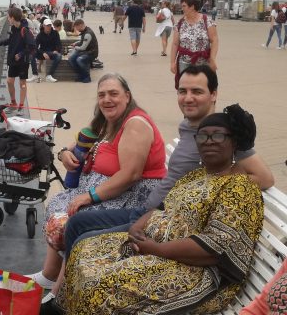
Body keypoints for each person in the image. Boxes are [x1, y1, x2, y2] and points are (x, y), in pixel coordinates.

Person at [58, 105, 264, 315]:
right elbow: (163, 207)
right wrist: (137, 228)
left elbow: (215, 248)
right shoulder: (196, 175)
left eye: (218, 136)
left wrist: (155, 249)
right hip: (154, 248)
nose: (209, 141)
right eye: (202, 136)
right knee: (83, 249)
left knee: (97, 286)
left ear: (234, 142)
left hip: (195, 273)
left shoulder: (238, 187)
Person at [25, 73, 166, 291]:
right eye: (102, 95)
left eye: (113, 94)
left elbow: (131, 174)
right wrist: (64, 153)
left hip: (130, 196)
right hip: (106, 190)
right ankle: (50, 274)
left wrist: (89, 196)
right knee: (58, 203)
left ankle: (62, 287)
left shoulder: (135, 125)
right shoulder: (106, 121)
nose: (107, 99)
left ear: (127, 96)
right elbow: (78, 143)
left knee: (67, 219)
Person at [170, 0, 219, 89]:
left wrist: (212, 59)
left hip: (204, 61)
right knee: (185, 86)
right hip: (184, 62)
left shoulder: (207, 21)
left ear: (192, 7)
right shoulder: (180, 23)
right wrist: (172, 62)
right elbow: (175, 44)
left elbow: (214, 40)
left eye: (184, 6)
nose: (182, 8)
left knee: (205, 85)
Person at [0, 7, 37, 111]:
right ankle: (13, 102)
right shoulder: (14, 28)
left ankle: (21, 105)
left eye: (8, 17)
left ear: (13, 18)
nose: (8, 19)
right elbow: (11, 40)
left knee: (22, 83)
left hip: (23, 61)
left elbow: (32, 46)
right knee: (9, 81)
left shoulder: (25, 30)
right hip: (14, 61)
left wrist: (21, 54)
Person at [67, 18, 98, 83]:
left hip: (91, 53)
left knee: (79, 59)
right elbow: (82, 41)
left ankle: (87, 77)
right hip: (85, 51)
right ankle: (80, 75)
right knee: (71, 59)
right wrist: (75, 43)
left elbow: (83, 48)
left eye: (76, 27)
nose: (76, 29)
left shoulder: (88, 34)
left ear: (80, 25)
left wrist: (75, 48)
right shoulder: (84, 31)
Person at [36, 18, 62, 83]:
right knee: (32, 54)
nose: (48, 27)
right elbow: (35, 47)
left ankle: (49, 75)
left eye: (50, 25)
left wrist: (56, 50)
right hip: (43, 53)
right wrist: (43, 53)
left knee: (59, 56)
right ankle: (35, 74)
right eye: (47, 25)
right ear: (43, 26)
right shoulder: (40, 35)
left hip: (52, 52)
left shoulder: (55, 33)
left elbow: (59, 44)